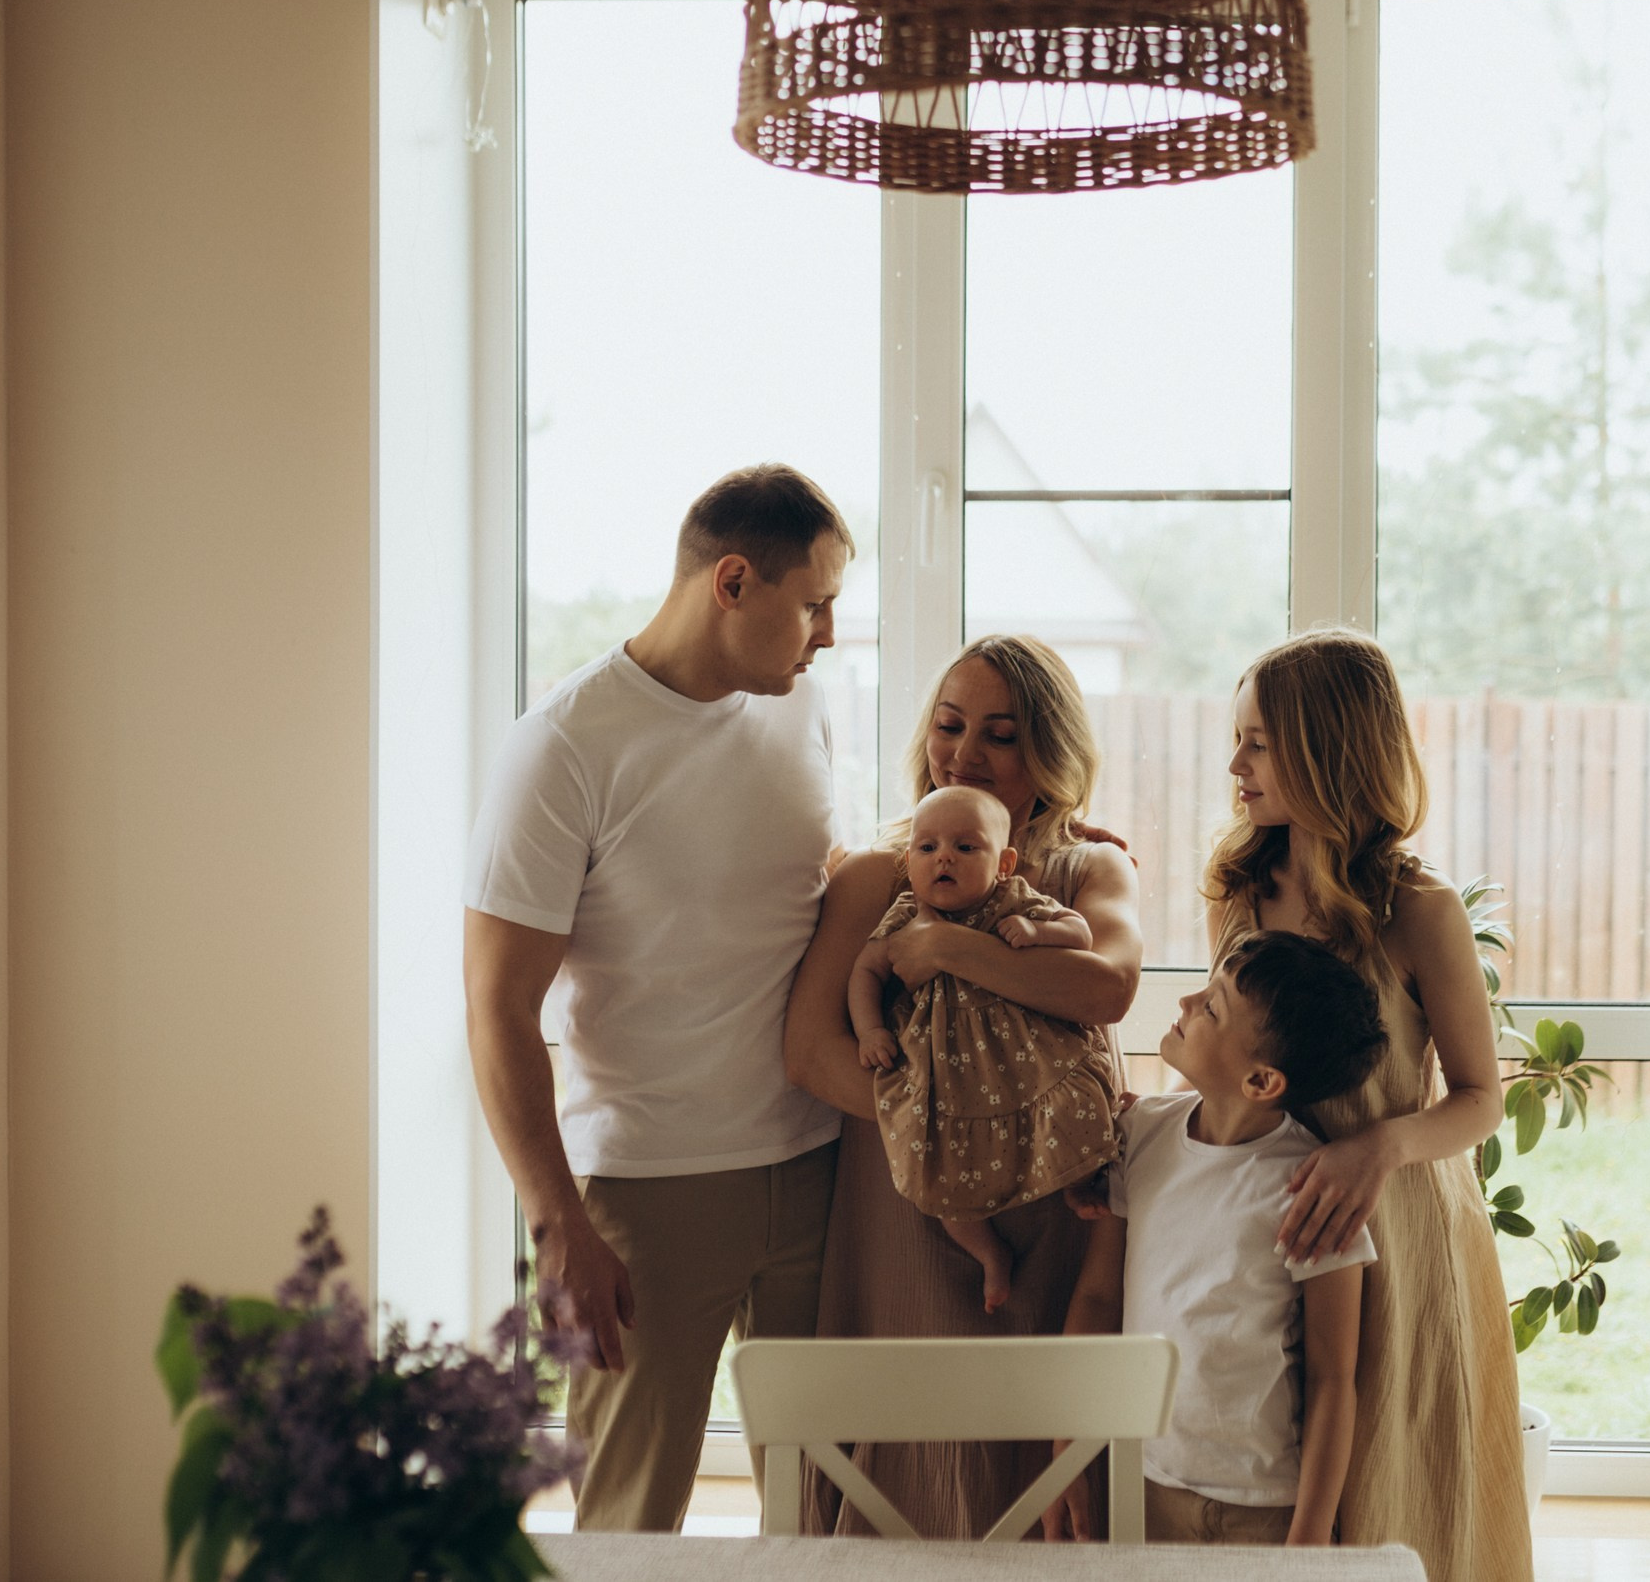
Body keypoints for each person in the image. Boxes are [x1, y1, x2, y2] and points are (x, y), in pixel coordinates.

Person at [462, 464, 853, 1533]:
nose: (826, 635)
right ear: (734, 582)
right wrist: (556, 1223)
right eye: (814, 605)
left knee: (829, 1521)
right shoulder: (565, 744)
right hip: (648, 1192)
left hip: (819, 1166)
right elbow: (498, 1007)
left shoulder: (802, 708)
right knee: (630, 1527)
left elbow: (815, 892)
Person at [783, 634, 1144, 1537]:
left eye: (1001, 734)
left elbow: (1107, 986)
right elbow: (810, 1051)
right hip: (907, 1193)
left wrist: (948, 948)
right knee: (912, 1441)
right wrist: (940, 1125)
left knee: (1042, 1440)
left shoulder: (1089, 870)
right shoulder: (880, 877)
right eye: (950, 725)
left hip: (1054, 1198)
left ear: (1051, 753)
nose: (965, 752)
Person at [1206, 628, 1535, 1582]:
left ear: (1326, 743)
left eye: (1258, 741)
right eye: (1238, 738)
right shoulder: (1238, 893)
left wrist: (1378, 1149)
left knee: (1394, 1485)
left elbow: (1480, 1101)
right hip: (1274, 1224)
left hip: (1399, 1230)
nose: (1236, 763)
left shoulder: (1420, 909)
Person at [1042, 929, 1390, 1548]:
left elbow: (1333, 1378)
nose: (1186, 1002)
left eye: (1212, 1006)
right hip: (1143, 1485)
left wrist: (1307, 1538)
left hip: (1265, 1508)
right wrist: (1065, 1458)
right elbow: (1097, 1298)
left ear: (1261, 1081)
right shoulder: (1140, 1135)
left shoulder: (1314, 1191)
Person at [847, 785, 1118, 1315]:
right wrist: (869, 1031)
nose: (943, 857)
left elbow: (1080, 931)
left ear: (1004, 861)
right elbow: (866, 970)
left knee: (1079, 1113)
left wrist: (1036, 931)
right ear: (910, 861)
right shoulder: (904, 915)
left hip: (1023, 1056)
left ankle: (1082, 1182)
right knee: (939, 1175)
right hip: (945, 1067)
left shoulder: (1012, 899)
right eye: (927, 848)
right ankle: (988, 1252)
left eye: (966, 847)